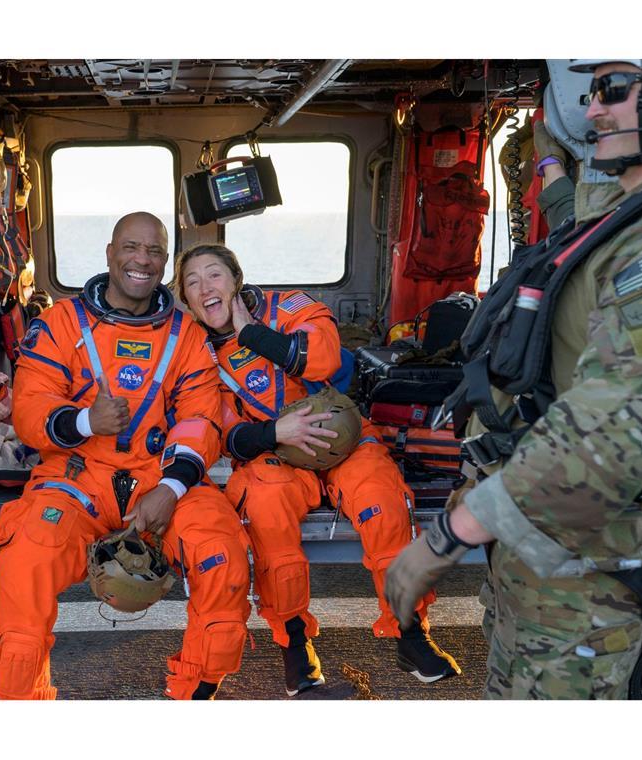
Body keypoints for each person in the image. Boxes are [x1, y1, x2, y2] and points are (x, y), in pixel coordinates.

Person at [385, 59, 642, 699]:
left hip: (588, 548)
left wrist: (448, 536)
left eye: (613, 90)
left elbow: (609, 436)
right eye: (589, 92)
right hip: (545, 543)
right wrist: (547, 162)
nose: (593, 111)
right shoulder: (633, 214)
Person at [0, 212, 252, 700]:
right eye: (132, 248)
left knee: (221, 553)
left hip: (159, 478)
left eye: (154, 252)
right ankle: (22, 705)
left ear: (164, 262)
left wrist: (172, 489)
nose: (142, 260)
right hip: (76, 478)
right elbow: (29, 407)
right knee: (28, 559)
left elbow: (200, 420)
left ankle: (199, 689)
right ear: (110, 253)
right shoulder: (61, 324)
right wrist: (86, 421)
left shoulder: (186, 335)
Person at [174, 244, 462, 689]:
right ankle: (294, 641)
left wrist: (250, 334)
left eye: (214, 275)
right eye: (193, 283)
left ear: (236, 279)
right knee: (266, 504)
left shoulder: (287, 307)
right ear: (187, 300)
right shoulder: (196, 353)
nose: (205, 288)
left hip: (339, 435)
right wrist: (276, 434)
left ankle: (410, 632)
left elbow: (324, 357)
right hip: (273, 453)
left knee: (381, 497)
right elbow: (219, 432)